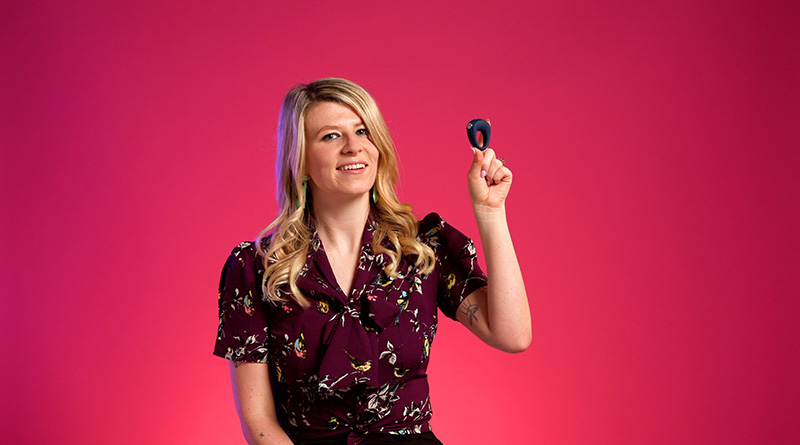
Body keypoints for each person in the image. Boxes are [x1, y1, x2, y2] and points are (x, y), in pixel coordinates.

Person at [214, 78, 531, 444]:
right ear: (300, 161)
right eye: (331, 136)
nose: (354, 147)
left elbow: (512, 335)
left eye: (363, 131)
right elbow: (258, 420)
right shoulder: (256, 267)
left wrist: (490, 213)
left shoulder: (424, 247)